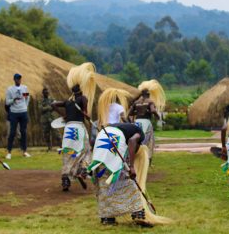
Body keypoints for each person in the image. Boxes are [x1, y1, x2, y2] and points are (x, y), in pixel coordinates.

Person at [88, 122, 171, 227]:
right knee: (127, 182)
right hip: (112, 140)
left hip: (102, 141)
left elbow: (93, 141)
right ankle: (139, 216)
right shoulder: (140, 133)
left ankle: (107, 218)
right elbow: (132, 141)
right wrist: (131, 167)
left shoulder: (121, 127)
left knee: (104, 181)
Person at [53, 62, 96, 192]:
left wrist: (64, 116)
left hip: (68, 129)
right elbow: (86, 113)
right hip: (78, 128)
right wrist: (86, 115)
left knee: (68, 152)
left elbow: (53, 104)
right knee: (86, 150)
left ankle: (65, 180)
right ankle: (83, 170)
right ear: (81, 87)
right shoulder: (83, 98)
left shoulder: (68, 102)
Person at [128, 80, 165, 163]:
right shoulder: (150, 101)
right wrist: (157, 116)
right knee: (148, 142)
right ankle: (147, 160)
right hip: (146, 122)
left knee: (136, 140)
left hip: (137, 122)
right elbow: (152, 110)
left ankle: (134, 157)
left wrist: (137, 112)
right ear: (148, 94)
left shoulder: (136, 102)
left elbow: (129, 113)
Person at [5, 73, 30, 159]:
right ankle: (9, 152)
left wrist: (25, 106)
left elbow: (27, 97)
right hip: (14, 112)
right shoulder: (10, 89)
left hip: (23, 111)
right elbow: (7, 102)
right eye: (17, 79)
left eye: (19, 79)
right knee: (12, 132)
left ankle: (25, 151)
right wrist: (13, 100)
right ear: (14, 79)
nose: (18, 80)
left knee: (24, 132)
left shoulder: (24, 88)